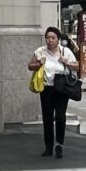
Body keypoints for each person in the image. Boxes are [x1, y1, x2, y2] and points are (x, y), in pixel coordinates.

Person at [28, 26, 78, 159]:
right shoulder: (40, 51)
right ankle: (48, 147)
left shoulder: (65, 51)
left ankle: (59, 145)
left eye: (53, 38)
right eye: (47, 38)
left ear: (58, 39)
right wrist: (39, 63)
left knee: (60, 116)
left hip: (61, 88)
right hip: (46, 88)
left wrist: (66, 62)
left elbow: (77, 66)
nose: (50, 41)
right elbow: (30, 66)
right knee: (47, 117)